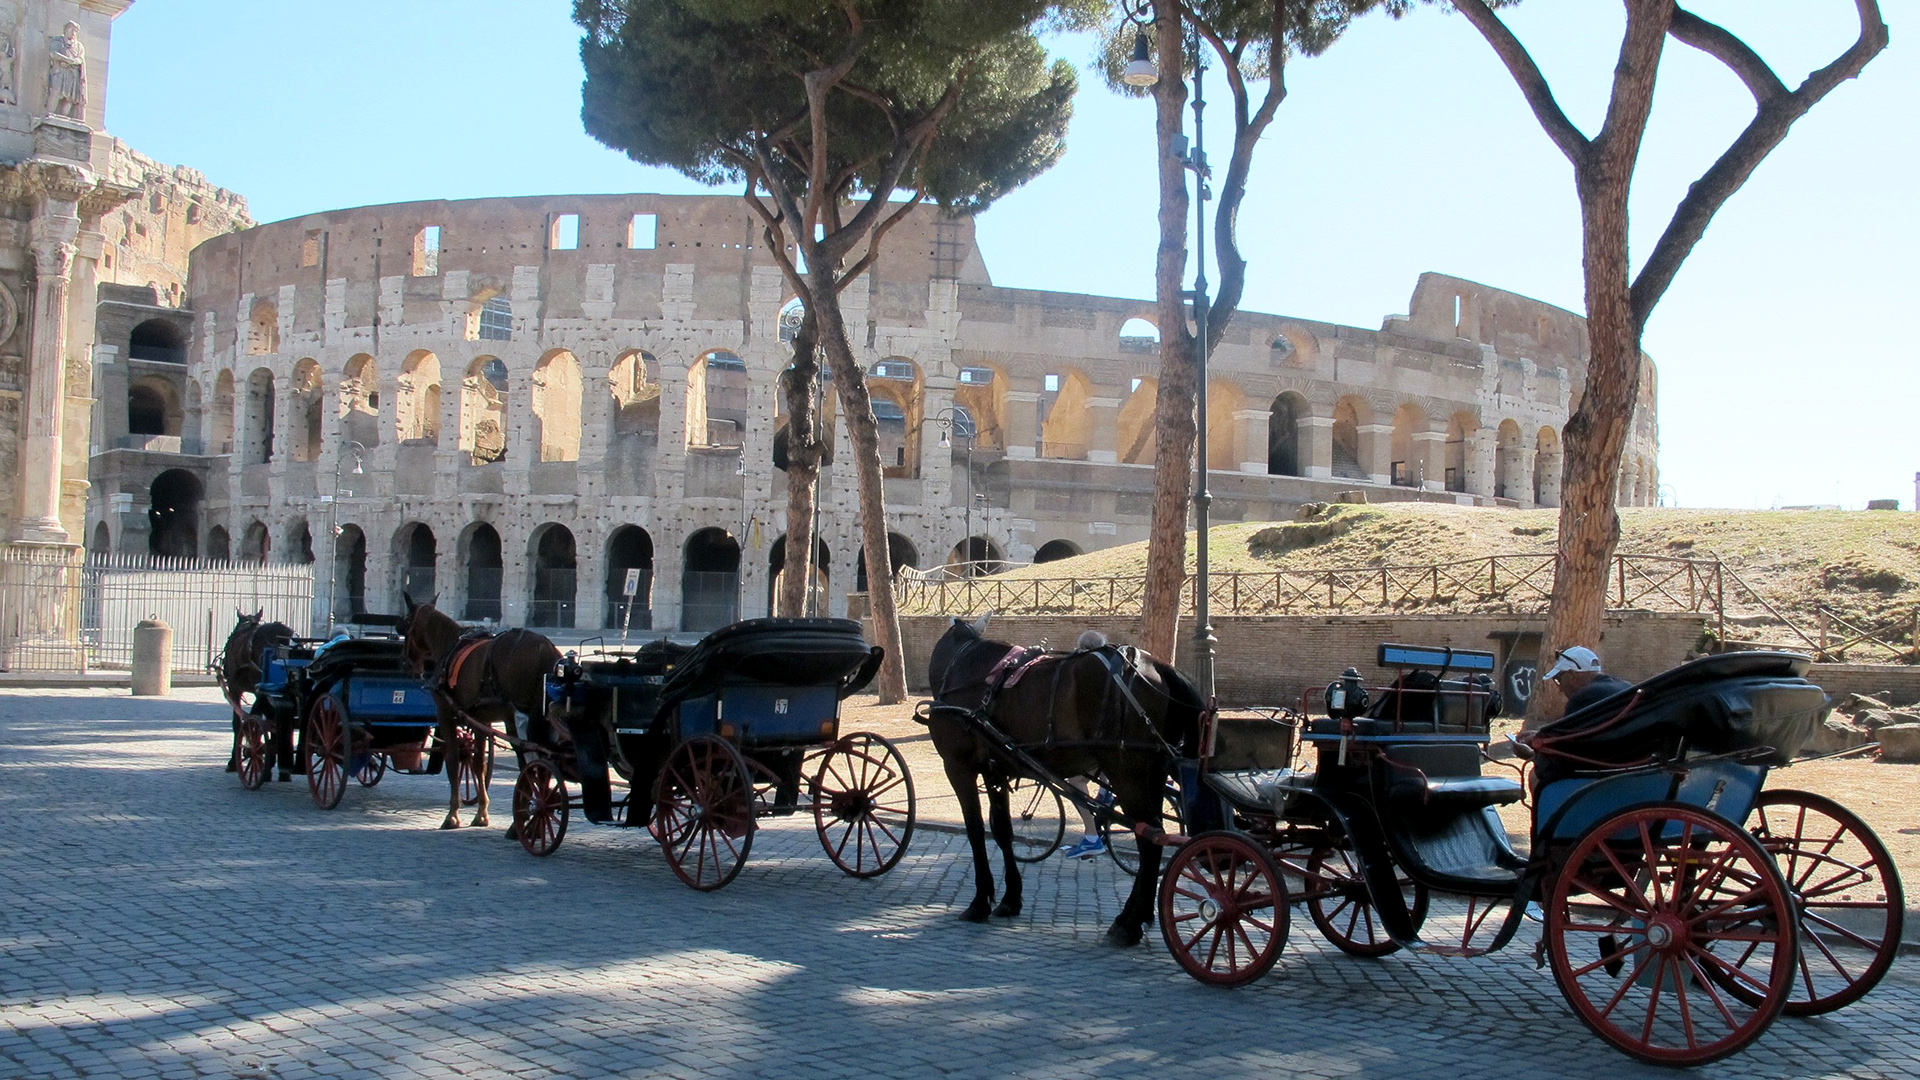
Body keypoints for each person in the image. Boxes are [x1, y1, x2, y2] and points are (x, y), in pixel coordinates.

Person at [1542, 645, 1632, 718]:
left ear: (1573, 676)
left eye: (1558, 680)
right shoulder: (1627, 687)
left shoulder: (1583, 697)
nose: (1560, 689)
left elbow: (1566, 737)